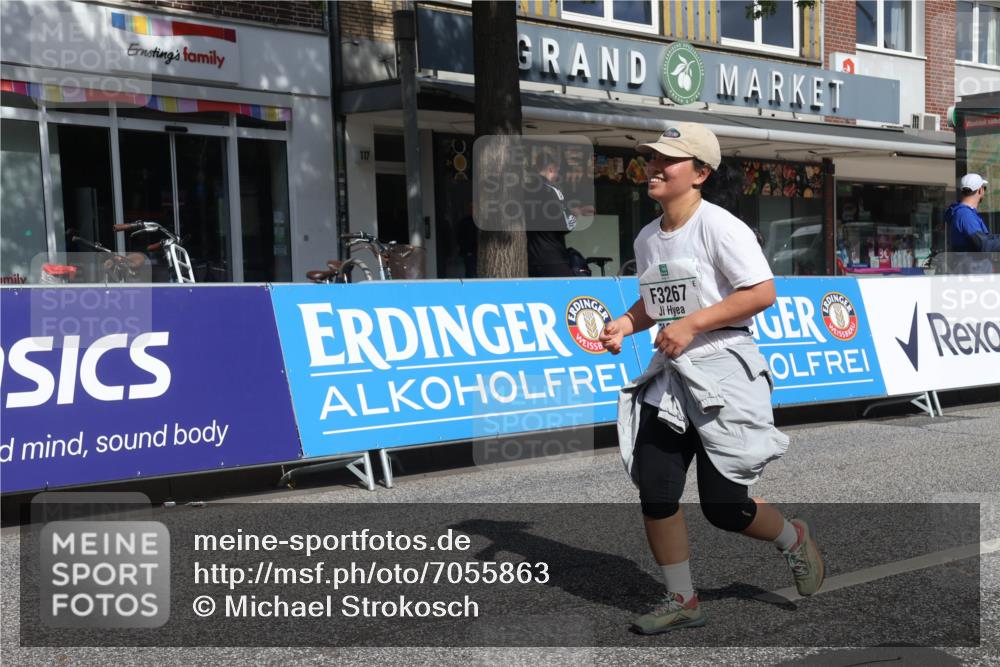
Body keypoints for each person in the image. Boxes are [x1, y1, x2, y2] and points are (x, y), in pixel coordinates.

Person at [597, 123, 824, 635]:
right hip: (672, 379)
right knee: (656, 489)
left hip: (725, 373)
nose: (654, 167)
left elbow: (761, 293)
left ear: (700, 173)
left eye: (667, 160)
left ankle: (792, 537)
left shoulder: (722, 227)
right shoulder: (648, 236)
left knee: (725, 508)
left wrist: (693, 324)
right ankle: (683, 599)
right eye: (652, 158)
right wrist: (628, 324)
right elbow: (658, 303)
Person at [525, 160, 595, 277]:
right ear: (551, 169)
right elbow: (564, 226)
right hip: (552, 257)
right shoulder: (553, 191)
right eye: (557, 172)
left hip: (531, 257)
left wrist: (571, 210)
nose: (557, 176)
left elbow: (546, 214)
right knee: (567, 293)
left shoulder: (526, 190)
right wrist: (576, 214)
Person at [944, 173, 1000, 274]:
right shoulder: (965, 214)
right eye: (984, 188)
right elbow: (984, 244)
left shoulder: (965, 213)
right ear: (980, 190)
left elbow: (985, 239)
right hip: (974, 275)